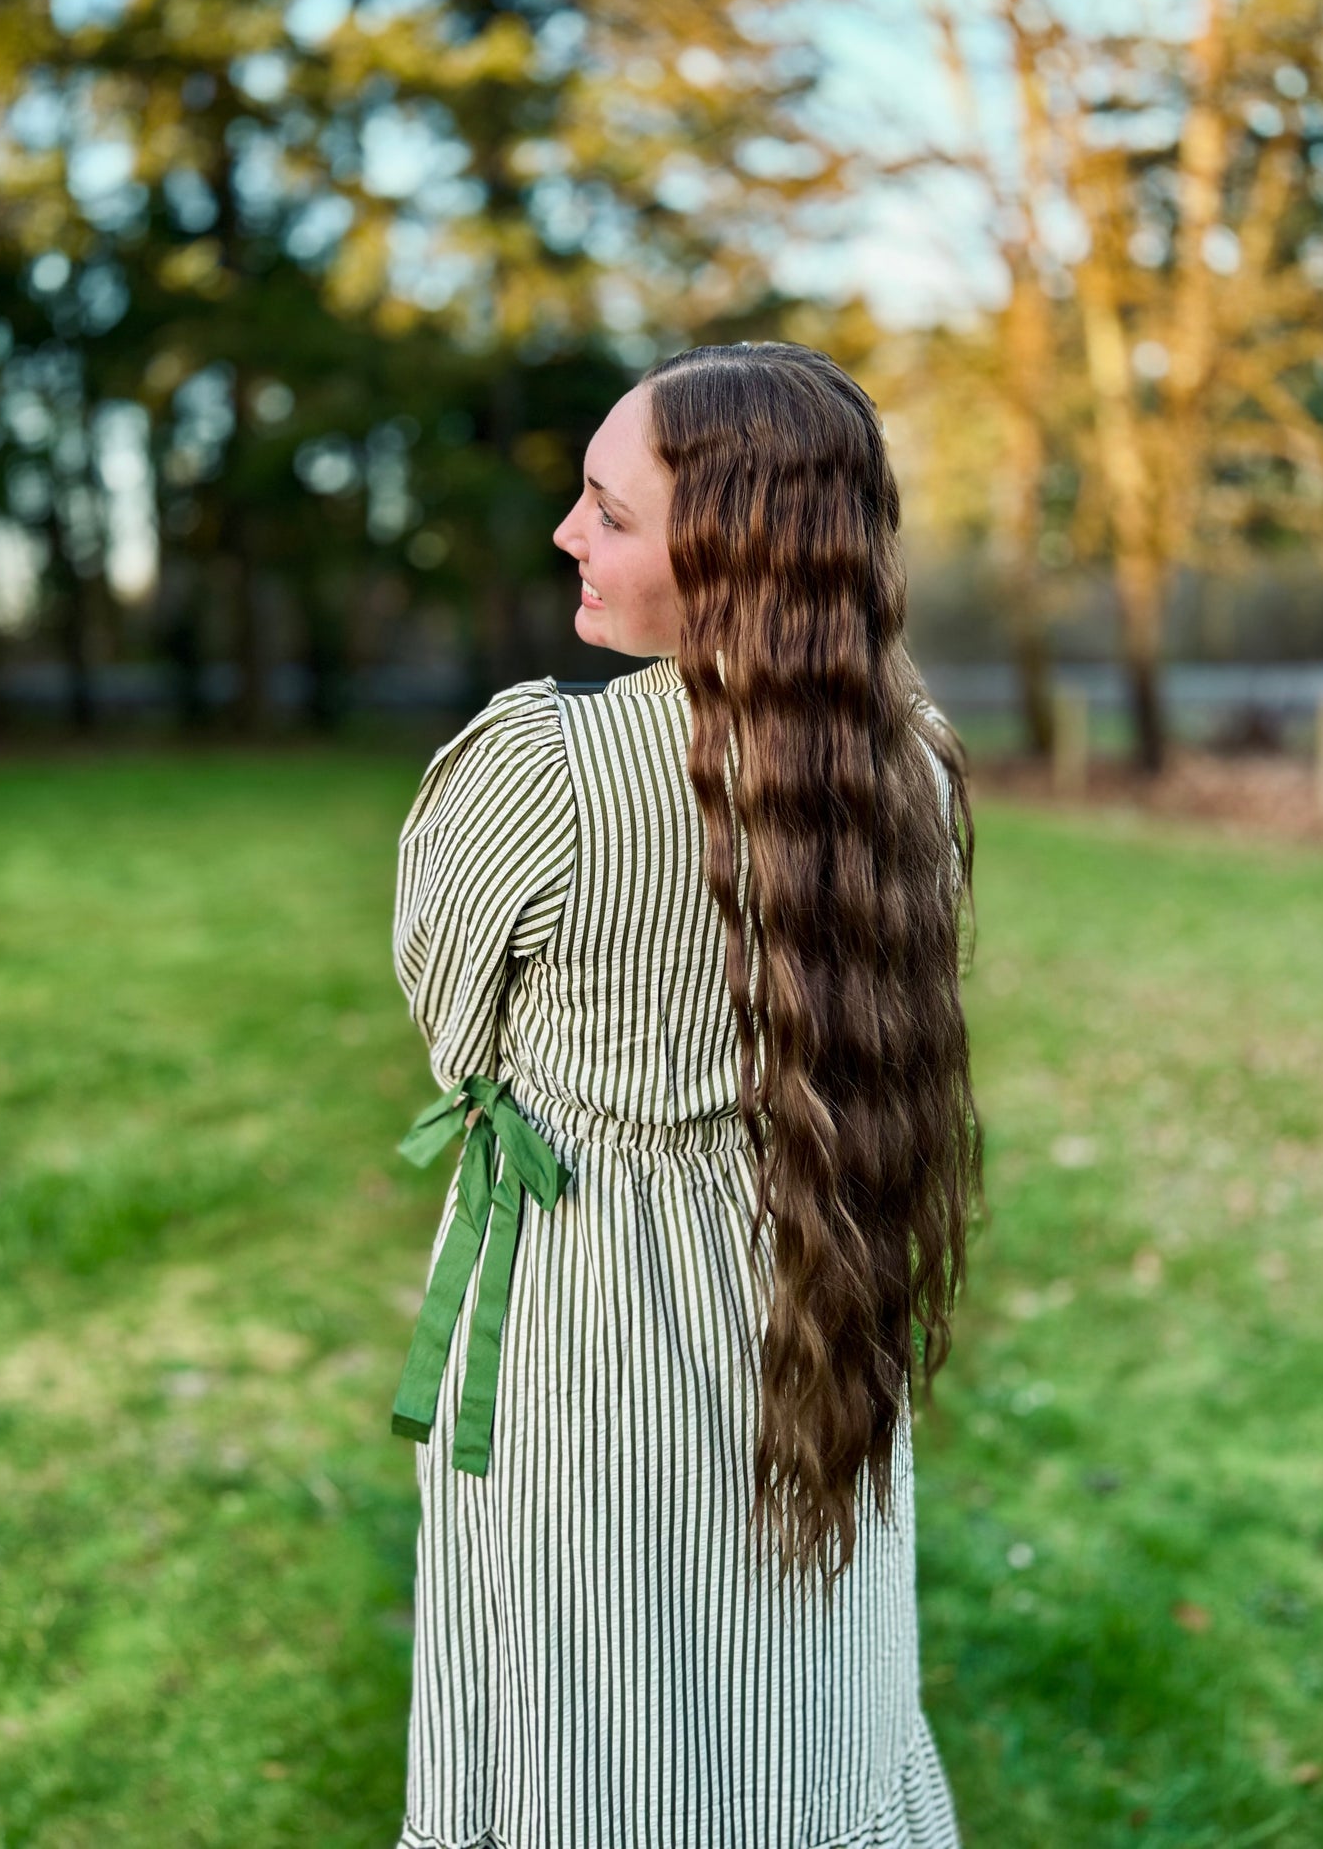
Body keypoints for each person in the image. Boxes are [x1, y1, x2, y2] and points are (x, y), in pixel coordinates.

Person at [389, 339, 981, 1849]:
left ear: (727, 558)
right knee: (798, 1693)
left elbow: (455, 1039)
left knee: (590, 1722)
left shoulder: (547, 768)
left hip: (589, 1323)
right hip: (816, 1282)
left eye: (610, 511)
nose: (565, 535)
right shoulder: (906, 764)